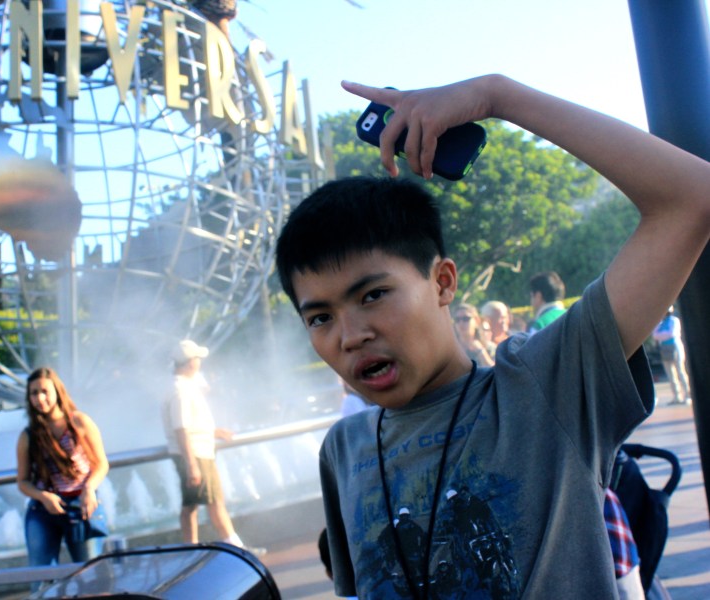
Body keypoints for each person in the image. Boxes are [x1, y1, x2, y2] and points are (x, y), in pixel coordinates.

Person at [274, 74, 710, 598]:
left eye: (373, 295)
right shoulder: (343, 449)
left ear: (442, 282)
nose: (350, 335)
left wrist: (495, 96)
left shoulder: (544, 387)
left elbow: (692, 196)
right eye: (320, 317)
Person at [161, 339, 261, 554]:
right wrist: (191, 465)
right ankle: (233, 549)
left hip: (196, 452)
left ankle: (194, 550)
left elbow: (188, 425)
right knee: (209, 501)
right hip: (195, 454)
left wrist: (213, 431)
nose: (199, 362)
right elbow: (181, 429)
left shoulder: (183, 387)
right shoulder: (180, 390)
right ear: (190, 362)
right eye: (197, 358)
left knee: (196, 503)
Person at [16, 367, 110, 573]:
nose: (40, 398)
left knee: (90, 574)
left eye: (45, 391)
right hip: (44, 509)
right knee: (41, 576)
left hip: (81, 506)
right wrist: (43, 496)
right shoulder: (28, 435)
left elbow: (101, 463)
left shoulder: (79, 422)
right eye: (34, 393)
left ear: (57, 392)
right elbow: (22, 481)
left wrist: (89, 489)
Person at [651, 306, 692, 405]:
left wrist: (661, 335)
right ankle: (677, 397)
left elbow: (671, 333)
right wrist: (662, 335)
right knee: (671, 374)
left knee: (680, 372)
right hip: (664, 349)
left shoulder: (674, 320)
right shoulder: (660, 323)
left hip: (675, 348)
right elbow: (655, 335)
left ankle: (688, 395)